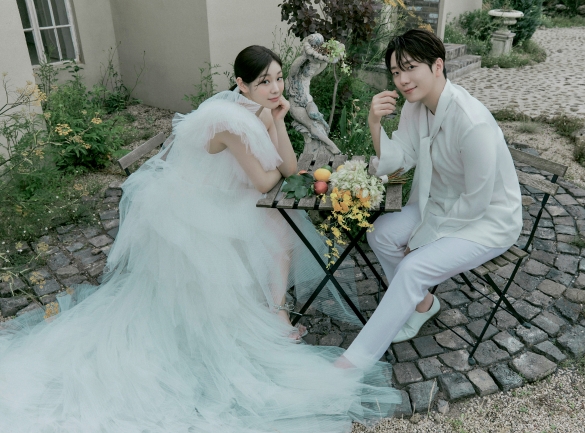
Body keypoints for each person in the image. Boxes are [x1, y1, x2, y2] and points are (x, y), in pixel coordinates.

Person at [0, 45, 400, 432]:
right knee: (277, 222)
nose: (275, 89)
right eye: (264, 82)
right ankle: (275, 310)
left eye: (278, 78)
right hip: (198, 207)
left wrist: (278, 120)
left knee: (279, 220)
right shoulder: (229, 122)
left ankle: (274, 305)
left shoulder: (260, 109)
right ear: (241, 84)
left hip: (232, 194)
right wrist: (274, 142)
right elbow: (266, 179)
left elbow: (290, 167)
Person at [339, 30, 523, 369]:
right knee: (379, 233)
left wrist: (425, 239)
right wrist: (374, 123)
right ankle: (423, 304)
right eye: (395, 72)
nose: (402, 80)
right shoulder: (416, 107)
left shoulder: (472, 122)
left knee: (412, 266)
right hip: (438, 204)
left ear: (438, 65)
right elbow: (400, 159)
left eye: (410, 68)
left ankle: (353, 362)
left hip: (487, 221)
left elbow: (477, 202)